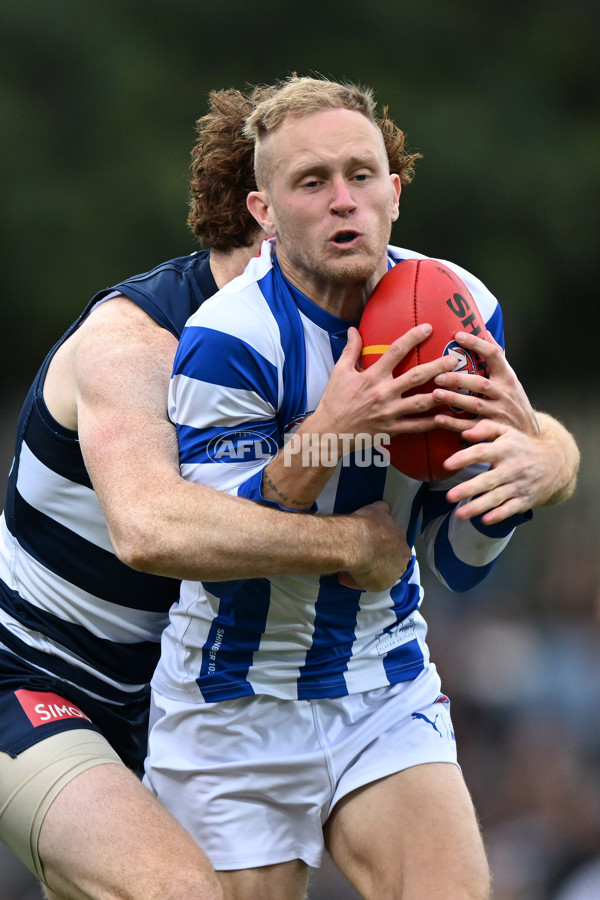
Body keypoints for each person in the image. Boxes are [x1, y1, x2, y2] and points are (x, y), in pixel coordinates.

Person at [0, 81, 577, 900]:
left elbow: (494, 444)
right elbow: (153, 530)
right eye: (310, 189)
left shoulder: (386, 308)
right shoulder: (144, 344)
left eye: (360, 181)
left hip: (219, 679)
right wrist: (356, 538)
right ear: (262, 216)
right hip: (50, 677)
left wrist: (552, 456)